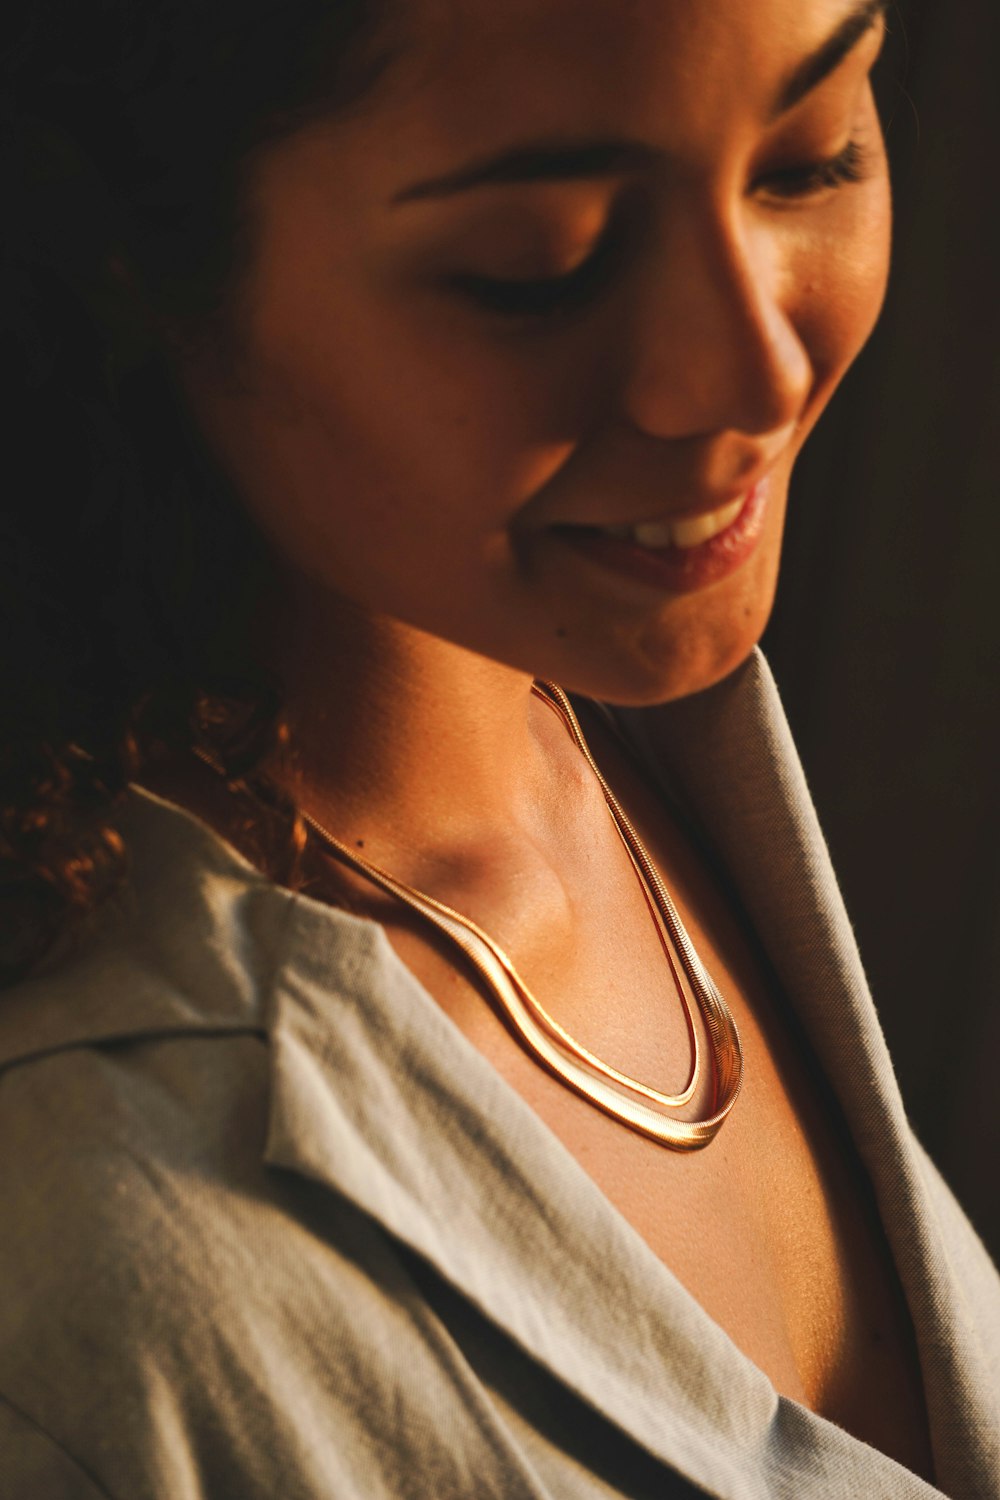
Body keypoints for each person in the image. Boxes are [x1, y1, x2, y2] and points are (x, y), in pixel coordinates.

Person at [1, 0, 998, 1496]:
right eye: (542, 269)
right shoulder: (99, 1281)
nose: (752, 376)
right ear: (152, 269)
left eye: (809, 156)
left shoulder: (622, 723)